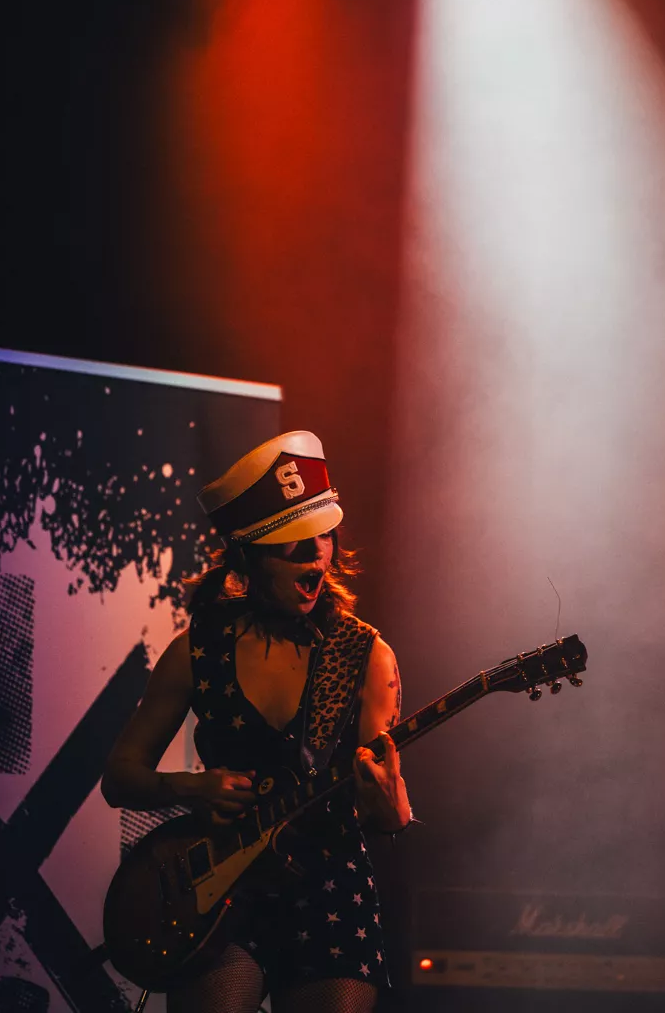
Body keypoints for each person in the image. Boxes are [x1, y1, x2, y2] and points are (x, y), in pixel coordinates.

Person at [101, 431, 412, 1013]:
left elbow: (380, 805)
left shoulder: (366, 655)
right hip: (221, 891)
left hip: (330, 893)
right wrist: (193, 787)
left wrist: (391, 808)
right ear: (247, 556)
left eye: (324, 534)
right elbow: (120, 776)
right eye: (293, 543)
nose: (315, 553)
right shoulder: (197, 650)